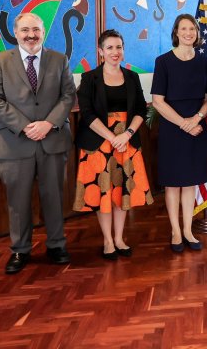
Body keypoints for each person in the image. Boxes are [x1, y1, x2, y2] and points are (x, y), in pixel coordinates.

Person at [0, 12, 75, 274]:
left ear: (43, 32)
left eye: (36, 30)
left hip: (53, 139)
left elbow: (68, 94)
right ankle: (20, 250)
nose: (31, 35)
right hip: (15, 142)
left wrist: (49, 123)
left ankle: (57, 245)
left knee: (55, 197)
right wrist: (25, 126)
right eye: (25, 30)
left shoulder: (60, 59)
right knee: (18, 201)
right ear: (15, 33)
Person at [74, 29, 153, 260]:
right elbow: (87, 115)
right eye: (109, 48)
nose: (115, 52)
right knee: (103, 193)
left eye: (119, 47)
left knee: (121, 191)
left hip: (126, 143)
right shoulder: (89, 78)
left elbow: (140, 109)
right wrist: (112, 138)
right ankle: (107, 241)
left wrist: (126, 134)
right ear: (100, 52)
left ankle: (119, 238)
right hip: (99, 144)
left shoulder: (132, 77)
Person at [151, 14, 207, 253]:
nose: (188, 33)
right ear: (176, 32)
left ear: (197, 33)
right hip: (172, 128)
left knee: (190, 183)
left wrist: (196, 119)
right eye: (183, 29)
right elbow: (157, 101)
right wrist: (184, 123)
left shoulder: (205, 62)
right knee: (173, 184)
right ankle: (175, 231)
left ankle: (188, 230)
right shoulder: (163, 61)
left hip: (197, 127)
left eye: (192, 29)